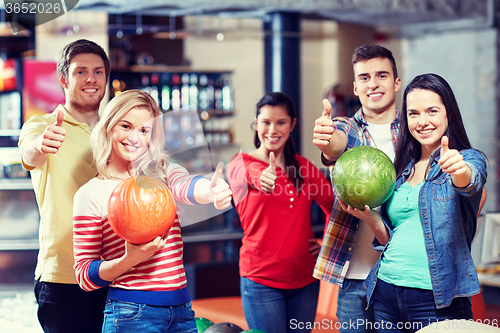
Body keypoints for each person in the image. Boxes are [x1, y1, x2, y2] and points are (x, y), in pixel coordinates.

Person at [72, 89, 233, 333]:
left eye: (144, 130)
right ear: (108, 127)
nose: (134, 138)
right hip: (130, 313)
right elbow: (84, 276)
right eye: (126, 126)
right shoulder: (91, 193)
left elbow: (187, 186)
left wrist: (212, 190)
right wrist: (130, 259)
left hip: (182, 309)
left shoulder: (164, 173)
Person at [343, 73, 487, 332]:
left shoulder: (467, 159)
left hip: (437, 300)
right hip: (386, 291)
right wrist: (373, 219)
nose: (422, 122)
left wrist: (458, 170)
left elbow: (472, 181)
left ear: (448, 114)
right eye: (413, 113)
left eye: (432, 111)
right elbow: (394, 237)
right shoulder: (401, 170)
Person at [19, 39, 110, 333]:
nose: (91, 79)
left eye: (98, 71)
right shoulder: (41, 125)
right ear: (63, 79)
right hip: (63, 276)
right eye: (80, 72)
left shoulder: (118, 130)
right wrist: (42, 144)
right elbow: (30, 151)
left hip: (117, 272)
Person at [227, 92, 334, 333]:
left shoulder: (304, 168)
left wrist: (327, 244)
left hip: (305, 281)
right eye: (265, 122)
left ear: (292, 125)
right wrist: (264, 178)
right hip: (260, 282)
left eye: (281, 122)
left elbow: (333, 206)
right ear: (256, 124)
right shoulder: (240, 164)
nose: (272, 129)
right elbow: (253, 174)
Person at [312, 44, 401, 332]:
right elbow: (335, 144)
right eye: (364, 77)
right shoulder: (345, 128)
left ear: (396, 82)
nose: (372, 84)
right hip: (353, 278)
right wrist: (327, 140)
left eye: (381, 75)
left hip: (400, 275)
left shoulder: (414, 132)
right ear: (355, 86)